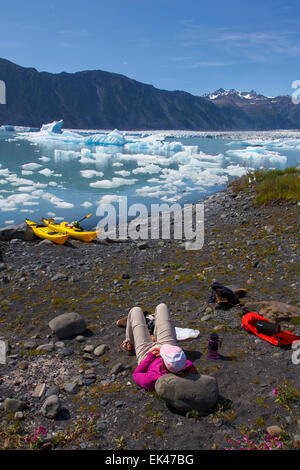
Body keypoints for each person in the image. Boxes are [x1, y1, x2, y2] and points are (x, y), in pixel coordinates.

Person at [118, 303, 197, 391]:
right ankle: (154, 335)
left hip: (146, 354)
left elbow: (136, 374)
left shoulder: (152, 378)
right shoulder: (186, 366)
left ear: (164, 362)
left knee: (135, 310)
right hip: (168, 346)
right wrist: (166, 350)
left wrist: (150, 356)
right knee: (162, 307)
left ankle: (130, 344)